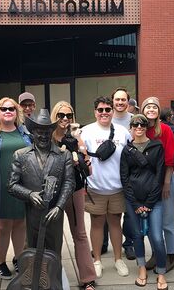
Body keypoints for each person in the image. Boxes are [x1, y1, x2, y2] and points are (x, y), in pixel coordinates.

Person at [8, 108, 75, 287]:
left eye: (47, 131)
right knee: (32, 253)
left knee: (54, 254)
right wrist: (29, 194)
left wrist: (59, 207)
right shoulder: (21, 156)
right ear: (32, 132)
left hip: (54, 214)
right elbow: (12, 185)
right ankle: (34, 284)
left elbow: (69, 183)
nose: (43, 136)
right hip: (31, 215)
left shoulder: (64, 155)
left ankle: (54, 284)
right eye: (39, 132)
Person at [81, 96, 132, 278]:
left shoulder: (123, 132)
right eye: (100, 110)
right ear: (95, 112)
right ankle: (97, 260)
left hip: (117, 187)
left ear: (112, 111)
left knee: (115, 224)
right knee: (96, 224)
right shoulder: (85, 132)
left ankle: (118, 260)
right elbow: (81, 158)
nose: (104, 113)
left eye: (107, 109)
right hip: (96, 188)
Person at [50, 101, 96, 290]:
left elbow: (90, 170)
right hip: (54, 192)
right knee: (53, 236)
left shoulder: (77, 139)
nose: (65, 119)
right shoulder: (48, 138)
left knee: (80, 234)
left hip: (75, 189)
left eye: (69, 116)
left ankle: (88, 278)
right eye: (61, 115)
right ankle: (53, 279)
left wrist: (81, 160)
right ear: (55, 117)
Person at [120, 114, 168, 290]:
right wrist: (134, 203)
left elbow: (159, 175)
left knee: (156, 237)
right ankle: (141, 268)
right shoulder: (127, 150)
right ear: (130, 127)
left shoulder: (157, 146)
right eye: (135, 124)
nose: (139, 127)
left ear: (147, 127)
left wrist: (148, 203)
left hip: (153, 201)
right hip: (133, 201)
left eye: (142, 124)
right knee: (137, 236)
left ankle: (161, 273)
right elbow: (124, 178)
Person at [0, 97, 32, 279]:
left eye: (11, 109)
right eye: (4, 108)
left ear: (17, 112)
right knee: (4, 225)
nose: (8, 111)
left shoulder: (25, 133)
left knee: (21, 223)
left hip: (23, 185)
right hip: (0, 186)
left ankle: (18, 258)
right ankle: (0, 262)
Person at [141, 97, 174, 273]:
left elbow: (171, 158)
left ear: (158, 111)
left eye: (154, 107)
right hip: (147, 182)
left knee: (167, 221)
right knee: (151, 222)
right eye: (147, 106)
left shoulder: (165, 130)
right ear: (142, 110)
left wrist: (167, 183)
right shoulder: (140, 129)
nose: (151, 109)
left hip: (165, 180)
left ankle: (170, 256)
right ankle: (156, 253)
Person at [111, 87, 135, 260]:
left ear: (128, 101)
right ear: (113, 101)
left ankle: (128, 244)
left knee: (128, 211)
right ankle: (103, 244)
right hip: (109, 173)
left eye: (123, 99)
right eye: (117, 99)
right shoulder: (105, 117)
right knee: (106, 210)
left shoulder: (135, 120)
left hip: (130, 174)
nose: (120, 102)